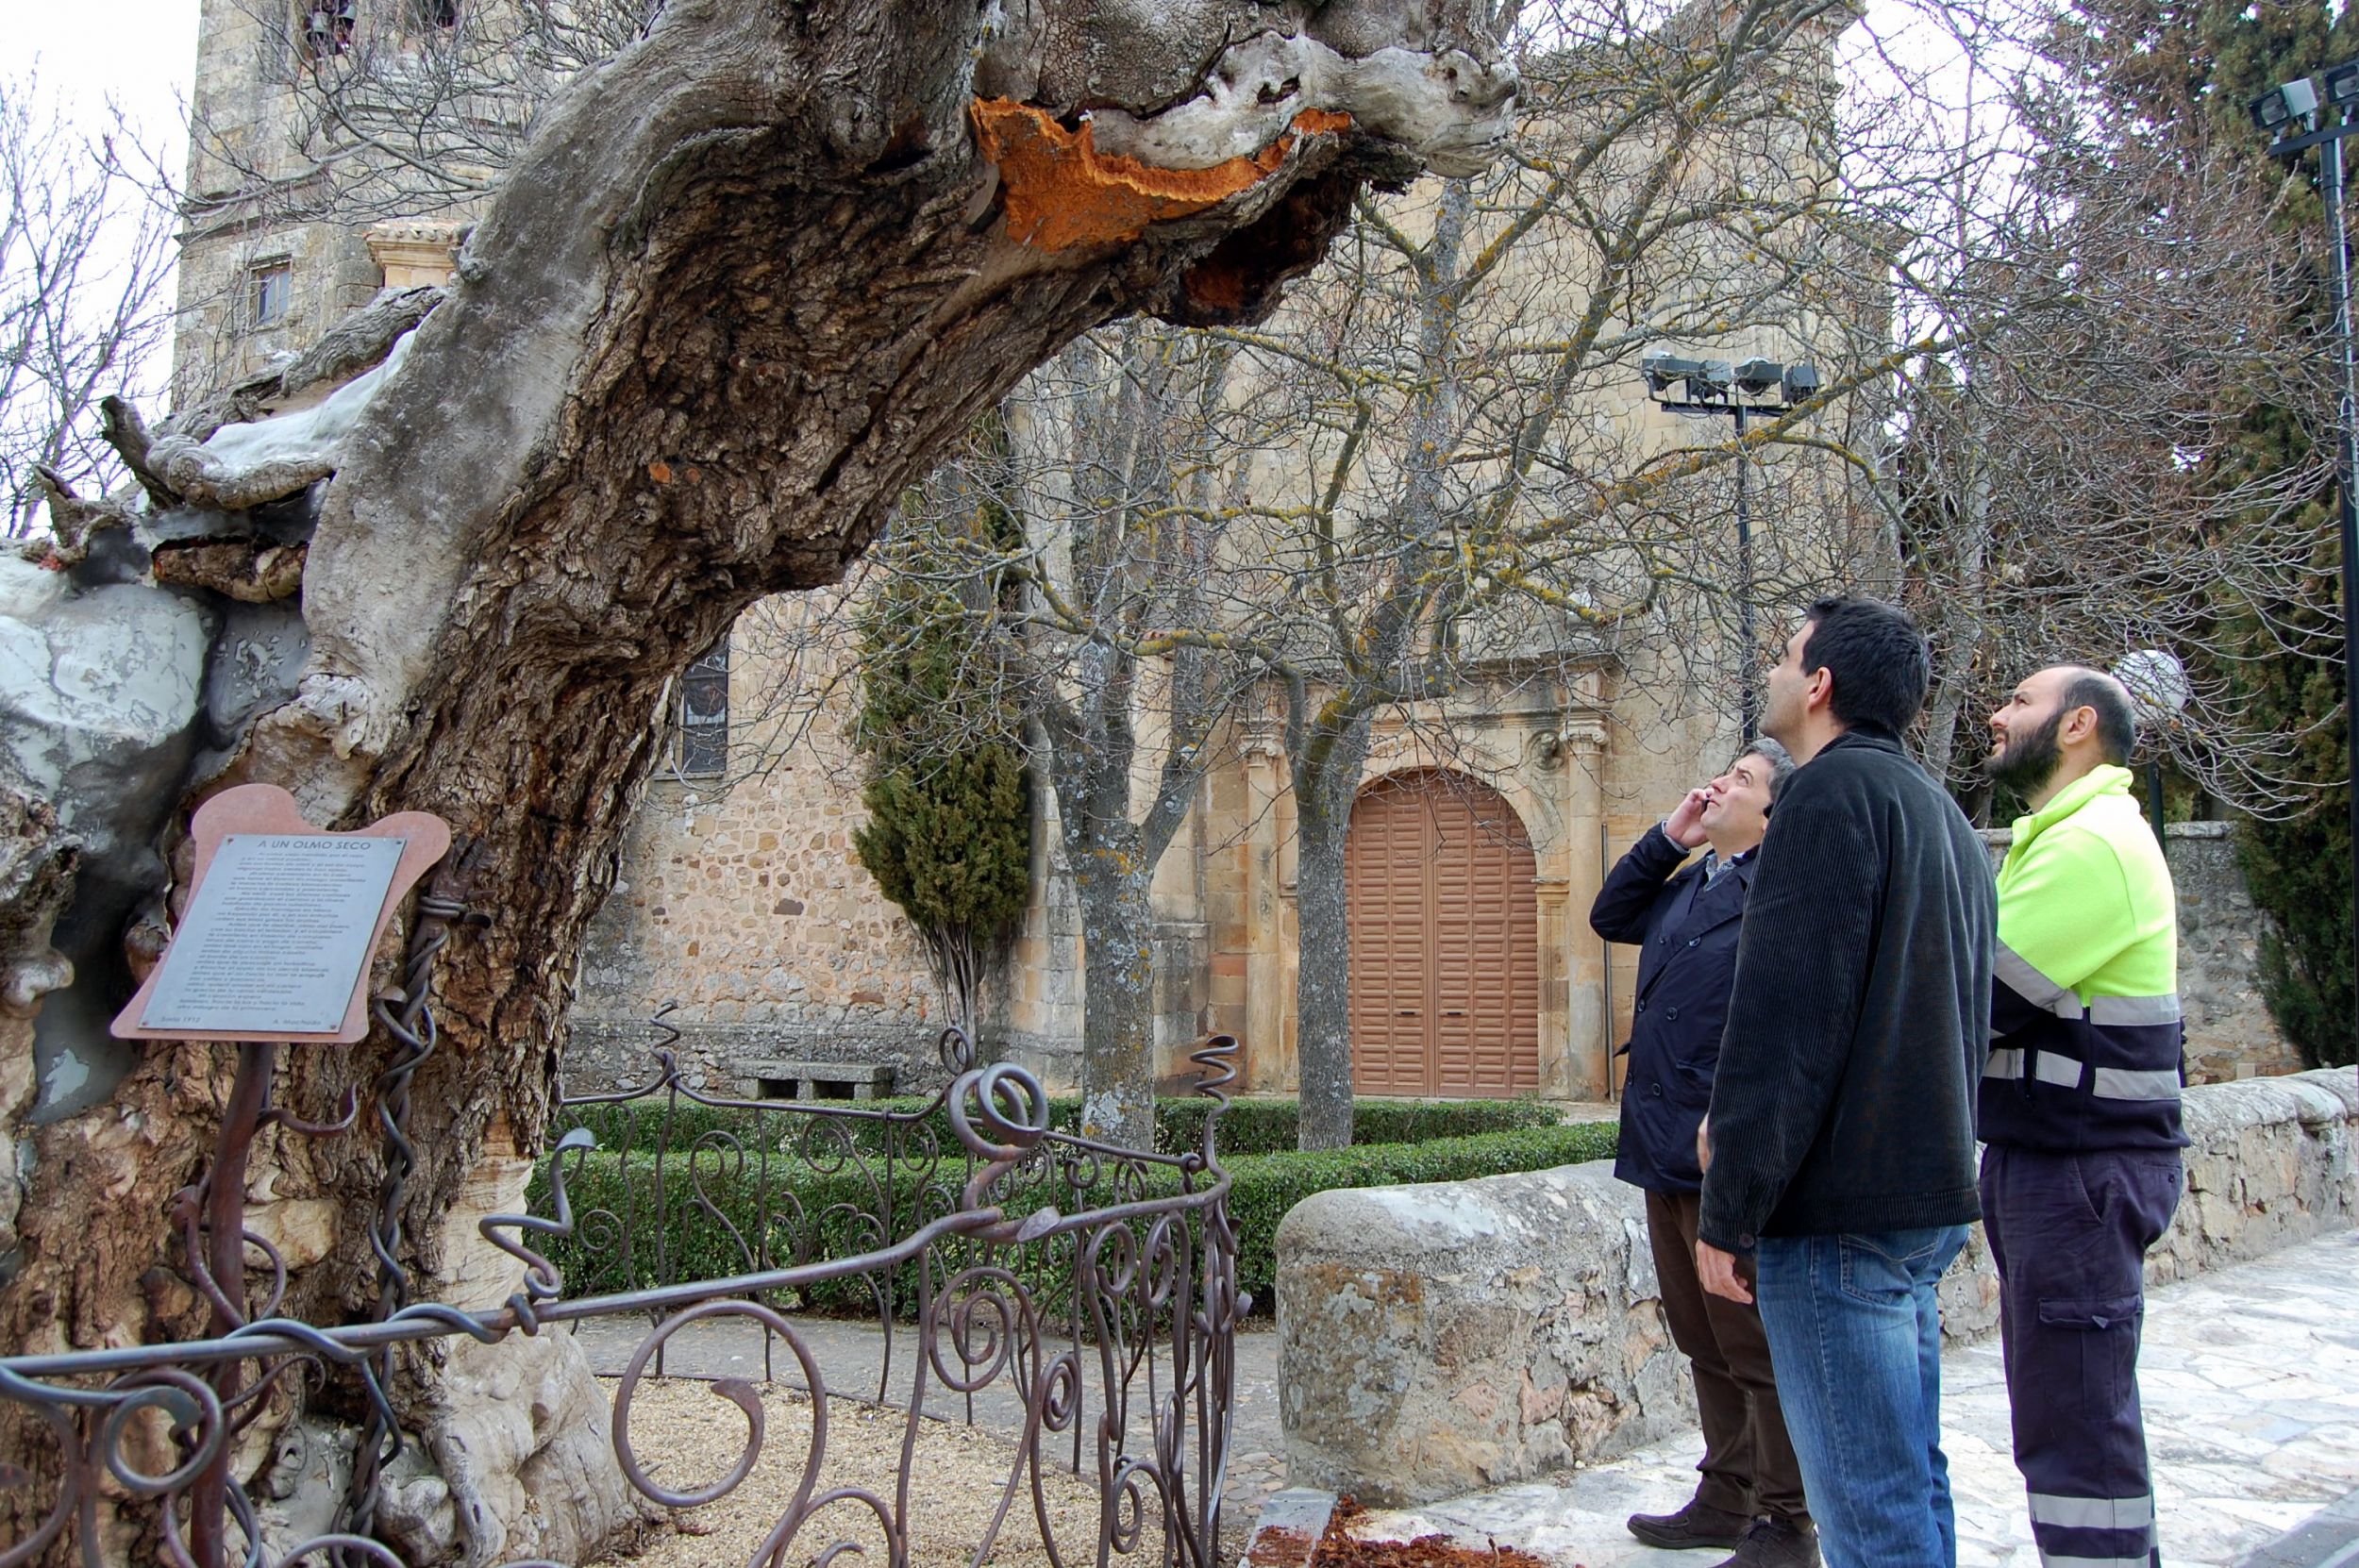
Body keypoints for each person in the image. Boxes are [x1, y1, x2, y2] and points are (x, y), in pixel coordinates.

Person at [1695, 596, 1996, 1568]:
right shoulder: (1937, 810)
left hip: (1838, 1219)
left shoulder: (1823, 799)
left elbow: (1784, 1019)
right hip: (1922, 1197)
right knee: (1907, 1479)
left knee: (1867, 1509)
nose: (1774, 674)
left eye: (1786, 659)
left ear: (1819, 685)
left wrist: (1727, 1210)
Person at [1978, 665, 2185, 1568]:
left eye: (2021, 701)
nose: (1998, 712)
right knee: (2063, 1413)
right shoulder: (2065, 835)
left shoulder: (2093, 844)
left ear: (2077, 726)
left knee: (2077, 1431)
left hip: (2079, 1170)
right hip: (2055, 1160)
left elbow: (1974, 995)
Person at [1591, 740, 1815, 1568]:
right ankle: (1726, 1496)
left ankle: (1785, 1522)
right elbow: (1611, 916)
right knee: (1699, 1337)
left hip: (1722, 1153)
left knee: (1751, 1345)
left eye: (1744, 781)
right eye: (1725, 772)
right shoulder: (1694, 881)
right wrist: (1669, 836)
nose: (1720, 784)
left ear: (1773, 813)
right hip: (1658, 1143)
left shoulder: (1778, 892)